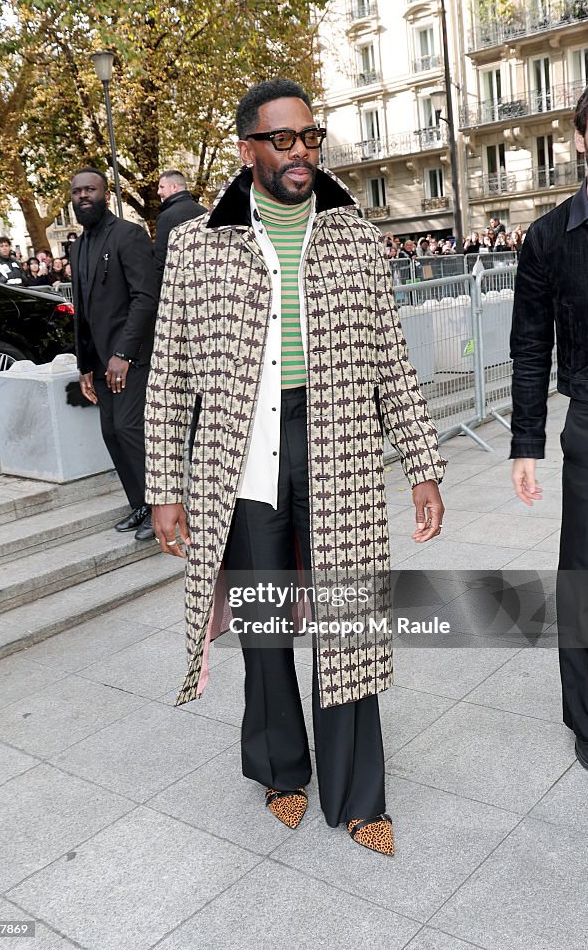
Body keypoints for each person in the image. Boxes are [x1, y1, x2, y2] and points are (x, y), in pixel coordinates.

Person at [145, 78, 446, 856]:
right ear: (246, 148)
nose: (300, 152)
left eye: (309, 137)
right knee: (264, 625)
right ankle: (280, 769)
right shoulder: (197, 245)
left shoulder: (354, 236)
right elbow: (169, 376)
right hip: (241, 454)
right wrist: (164, 488)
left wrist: (421, 464)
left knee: (349, 624)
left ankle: (358, 793)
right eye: (282, 140)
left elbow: (390, 360)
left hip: (337, 444)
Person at [510, 74, 588, 774]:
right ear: (580, 138)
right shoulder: (548, 238)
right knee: (585, 579)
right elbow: (530, 346)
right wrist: (525, 443)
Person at [70, 167, 159, 540]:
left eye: (90, 189)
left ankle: (160, 509)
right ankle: (140, 504)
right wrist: (84, 365)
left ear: (105, 194)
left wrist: (123, 353)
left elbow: (146, 298)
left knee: (128, 428)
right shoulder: (78, 246)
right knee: (110, 432)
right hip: (100, 362)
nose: (83, 196)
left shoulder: (128, 234)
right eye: (77, 191)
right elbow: (83, 312)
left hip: (131, 357)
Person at [153, 170, 206, 282]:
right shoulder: (204, 212)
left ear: (174, 187)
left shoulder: (166, 217)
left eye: (161, 187)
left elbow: (161, 259)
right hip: (204, 279)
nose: (158, 192)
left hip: (178, 281)